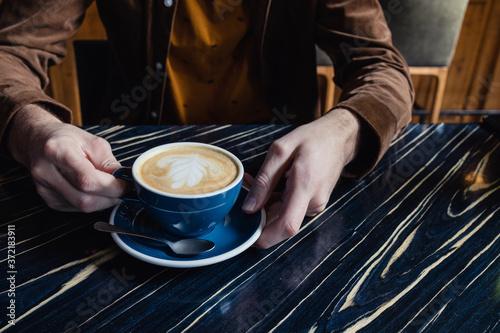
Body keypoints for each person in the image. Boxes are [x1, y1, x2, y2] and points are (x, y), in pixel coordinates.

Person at [0, 0, 414, 248]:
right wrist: (33, 126)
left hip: (283, 180)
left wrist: (342, 132)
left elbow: (381, 66)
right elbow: (11, 50)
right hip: (123, 173)